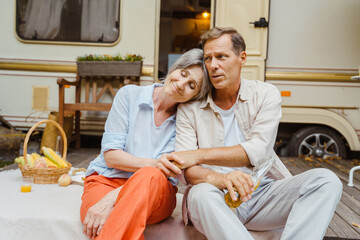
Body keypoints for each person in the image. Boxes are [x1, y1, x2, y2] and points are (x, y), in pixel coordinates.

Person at [170, 27, 342, 240]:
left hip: (262, 195)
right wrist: (222, 179)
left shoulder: (265, 94)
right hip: (214, 196)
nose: (213, 66)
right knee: (200, 194)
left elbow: (257, 152)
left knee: (326, 180)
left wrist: (198, 154)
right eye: (208, 58)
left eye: (221, 57)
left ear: (242, 58)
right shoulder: (189, 108)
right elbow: (188, 171)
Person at [80, 48, 211, 240]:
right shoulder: (129, 95)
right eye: (182, 74)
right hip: (106, 181)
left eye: (192, 85)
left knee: (150, 174)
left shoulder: (187, 121)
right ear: (175, 69)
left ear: (196, 96)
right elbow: (111, 156)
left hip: (156, 192)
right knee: (105, 222)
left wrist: (115, 198)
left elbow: (162, 173)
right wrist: (154, 165)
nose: (181, 84)